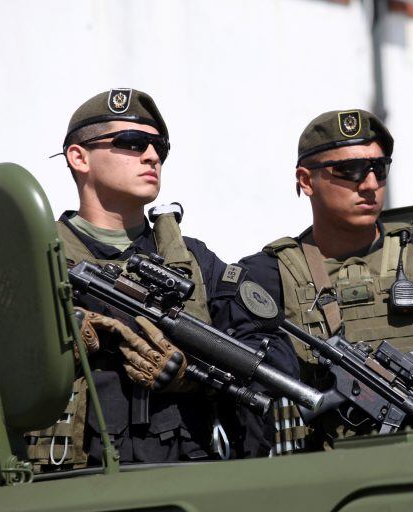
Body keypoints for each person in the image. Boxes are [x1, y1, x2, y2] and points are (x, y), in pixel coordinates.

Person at [26, 88, 299, 469]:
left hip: (188, 474)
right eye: (133, 143)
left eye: (160, 148)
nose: (152, 156)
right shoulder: (34, 261)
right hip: (72, 478)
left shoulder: (192, 261)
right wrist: (60, 349)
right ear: (79, 156)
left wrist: (192, 373)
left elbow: (276, 356)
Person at [240, 109, 413, 450]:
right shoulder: (268, 277)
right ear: (305, 180)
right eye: (350, 170)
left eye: (379, 168)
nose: (370, 184)